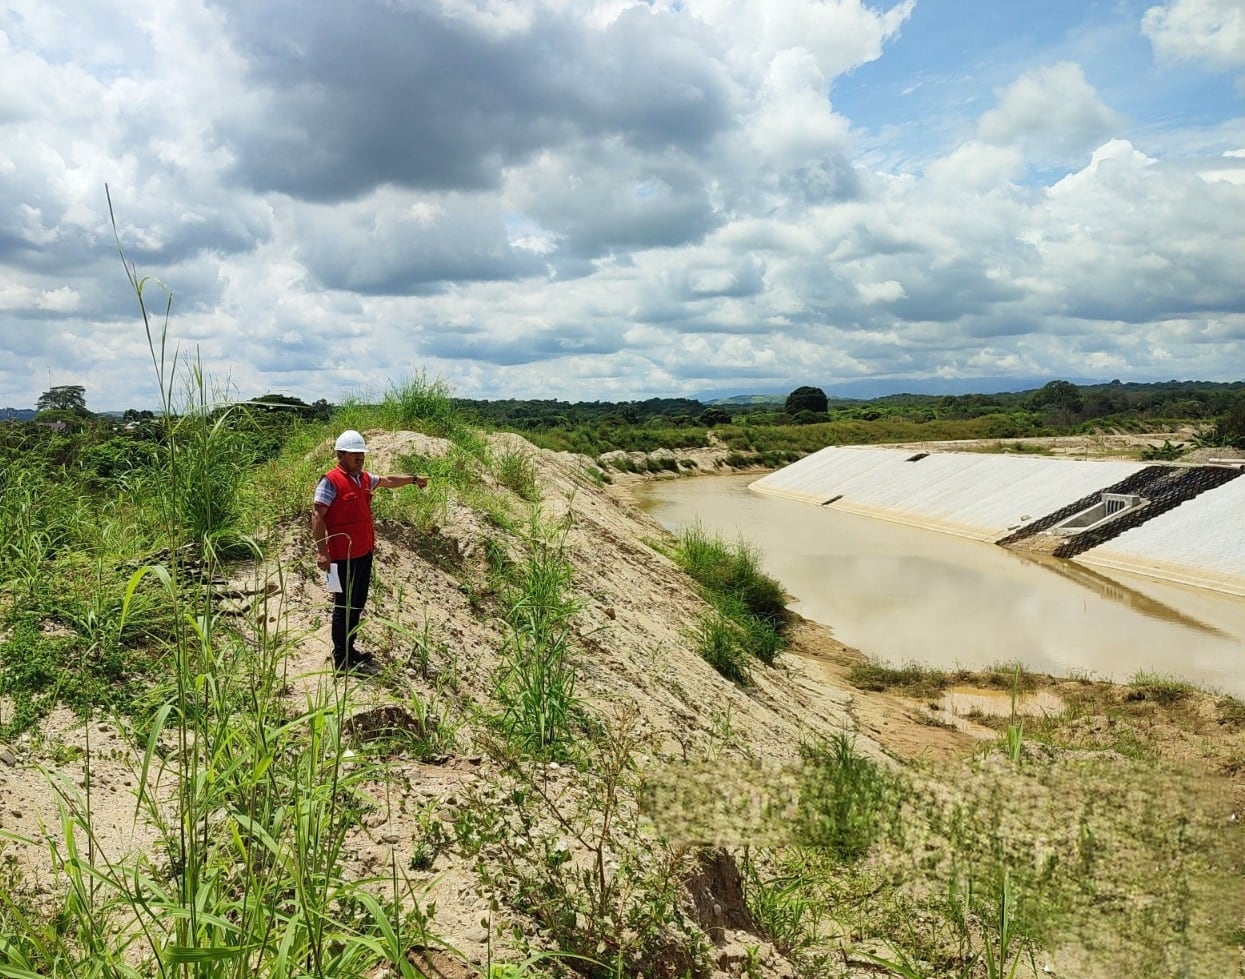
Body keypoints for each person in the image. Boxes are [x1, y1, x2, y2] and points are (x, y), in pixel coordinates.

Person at [311, 430, 428, 673]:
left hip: (363, 553)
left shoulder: (363, 478)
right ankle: (341, 657)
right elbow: (317, 516)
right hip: (340, 558)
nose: (360, 458)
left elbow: (388, 481)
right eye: (354, 454)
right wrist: (322, 552)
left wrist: (414, 479)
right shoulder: (330, 481)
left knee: (357, 604)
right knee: (343, 605)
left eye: (362, 454)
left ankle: (350, 648)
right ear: (340, 454)